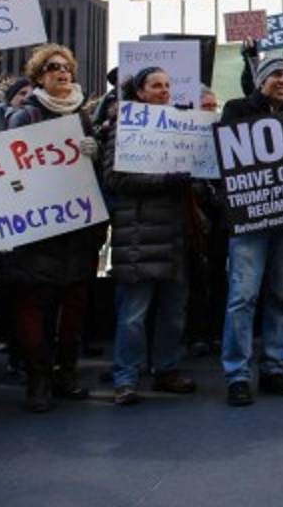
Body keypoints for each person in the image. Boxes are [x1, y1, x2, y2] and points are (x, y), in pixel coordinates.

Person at [3, 45, 107, 412]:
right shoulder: (25, 116)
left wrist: (94, 155)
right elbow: (11, 174)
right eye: (53, 67)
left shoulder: (82, 117)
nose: (62, 72)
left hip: (77, 231)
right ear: (39, 75)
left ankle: (66, 374)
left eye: (67, 67)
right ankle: (38, 380)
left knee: (72, 309)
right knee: (35, 307)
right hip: (37, 231)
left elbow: (94, 177)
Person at [218, 56, 283, 407]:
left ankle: (274, 366)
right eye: (276, 74)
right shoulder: (237, 109)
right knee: (242, 297)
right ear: (260, 80)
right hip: (249, 221)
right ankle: (238, 374)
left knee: (281, 297)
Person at [102, 66, 199, 405]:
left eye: (168, 86)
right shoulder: (123, 129)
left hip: (173, 234)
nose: (164, 91)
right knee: (134, 314)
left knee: (174, 312)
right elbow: (114, 180)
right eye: (156, 85)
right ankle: (126, 378)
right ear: (140, 93)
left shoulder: (180, 127)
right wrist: (165, 181)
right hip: (139, 235)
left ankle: (166, 370)